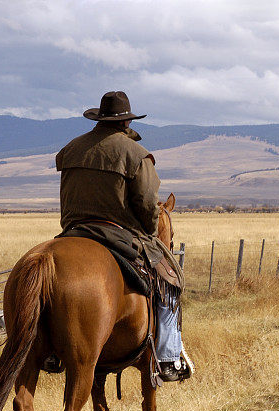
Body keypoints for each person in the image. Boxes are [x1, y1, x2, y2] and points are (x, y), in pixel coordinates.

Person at [54, 90, 192, 382]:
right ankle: (168, 358)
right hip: (119, 233)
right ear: (126, 122)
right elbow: (145, 204)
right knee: (170, 281)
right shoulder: (137, 155)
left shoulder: (71, 149)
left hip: (73, 231)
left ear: (99, 119)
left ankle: (52, 347)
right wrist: (150, 229)